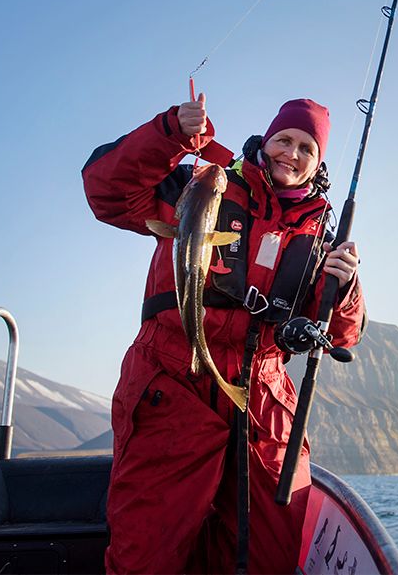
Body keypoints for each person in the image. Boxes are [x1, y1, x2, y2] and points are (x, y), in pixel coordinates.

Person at [82, 95, 365, 574]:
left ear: (318, 162)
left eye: (306, 148)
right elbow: (107, 192)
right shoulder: (205, 184)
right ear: (266, 139)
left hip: (265, 397)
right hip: (172, 380)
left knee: (269, 552)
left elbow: (341, 335)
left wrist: (348, 287)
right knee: (145, 553)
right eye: (284, 139)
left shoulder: (321, 235)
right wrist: (170, 130)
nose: (291, 154)